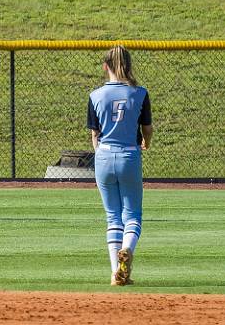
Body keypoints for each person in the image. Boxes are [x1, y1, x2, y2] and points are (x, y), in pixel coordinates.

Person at [86, 45, 153, 286]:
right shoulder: (140, 93)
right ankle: (127, 249)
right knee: (132, 215)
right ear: (129, 65)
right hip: (129, 155)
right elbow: (147, 129)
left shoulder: (95, 95)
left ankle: (116, 272)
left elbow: (95, 134)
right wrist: (146, 142)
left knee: (113, 217)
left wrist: (101, 154)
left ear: (106, 67)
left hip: (103, 155)